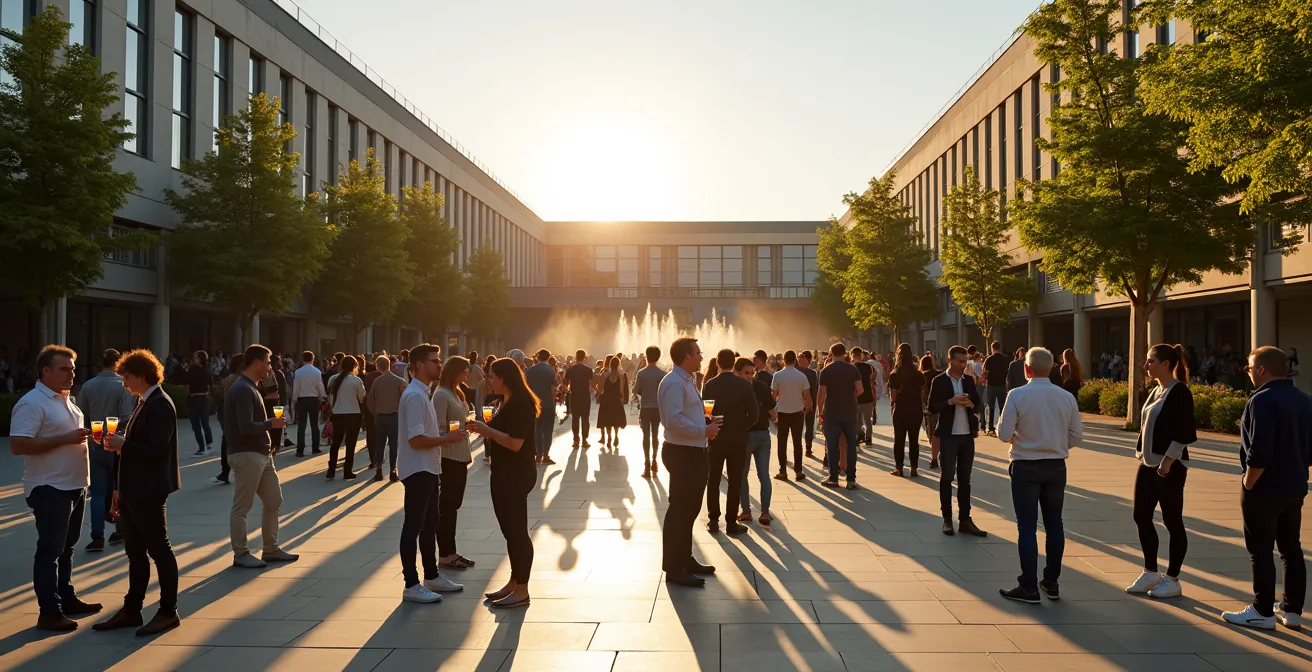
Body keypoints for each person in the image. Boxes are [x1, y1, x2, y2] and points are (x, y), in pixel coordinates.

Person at [9, 345, 102, 631]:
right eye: (64, 369)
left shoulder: (67, 401)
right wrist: (66, 439)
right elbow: (18, 444)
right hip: (49, 487)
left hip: (74, 485)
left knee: (67, 548)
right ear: (45, 371)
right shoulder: (32, 402)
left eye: (73, 368)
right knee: (49, 550)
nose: (71, 374)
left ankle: (66, 598)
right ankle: (48, 611)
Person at [93, 349, 182, 636]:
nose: (124, 383)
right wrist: (119, 486)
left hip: (149, 490)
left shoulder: (159, 404)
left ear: (143, 375)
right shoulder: (144, 401)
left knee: (159, 549)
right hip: (134, 489)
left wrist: (123, 445)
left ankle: (168, 611)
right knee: (135, 551)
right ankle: (132, 609)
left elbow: (158, 450)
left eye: (127, 377)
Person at [1222, 347, 1312, 630]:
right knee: (1290, 548)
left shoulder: (1261, 400)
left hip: (1264, 487)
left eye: (1249, 368)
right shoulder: (1303, 400)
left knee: (1260, 550)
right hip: (1295, 485)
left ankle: (1262, 610)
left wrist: (1248, 483)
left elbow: (1259, 450)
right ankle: (1292, 608)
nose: (1247, 373)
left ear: (1261, 369)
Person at [995, 347, 1083, 604]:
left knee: (1027, 527)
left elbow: (1003, 433)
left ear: (1027, 369)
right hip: (1056, 466)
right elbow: (1077, 435)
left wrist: (1019, 438)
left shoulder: (1017, 395)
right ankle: (1051, 581)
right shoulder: (1065, 396)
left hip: (1025, 466)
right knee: (1055, 524)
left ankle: (1029, 586)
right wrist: (1056, 443)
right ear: (1052, 367)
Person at [466, 358, 539, 609]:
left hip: (515, 473)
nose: (490, 381)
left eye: (493, 377)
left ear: (505, 378)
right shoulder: (505, 401)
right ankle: (514, 580)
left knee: (517, 531)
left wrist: (488, 431)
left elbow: (516, 443)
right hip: (505, 472)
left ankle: (522, 589)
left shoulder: (519, 403)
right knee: (510, 531)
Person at [396, 344, 466, 603]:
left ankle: (432, 575)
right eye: (434, 361)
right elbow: (416, 439)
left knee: (429, 525)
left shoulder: (422, 393)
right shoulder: (415, 396)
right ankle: (411, 583)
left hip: (427, 467)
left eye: (439, 361)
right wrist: (445, 438)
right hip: (418, 469)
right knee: (414, 526)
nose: (439, 365)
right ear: (418, 365)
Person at [1126, 343, 1197, 599]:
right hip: (1147, 464)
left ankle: (1173, 579)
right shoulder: (1157, 390)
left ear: (1166, 364)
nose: (1145, 365)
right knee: (1141, 516)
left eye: (1150, 360)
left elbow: (1185, 431)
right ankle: (1151, 571)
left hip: (1169, 467)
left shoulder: (1179, 392)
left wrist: (1168, 462)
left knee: (1172, 521)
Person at [224, 344, 298, 569]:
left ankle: (271, 548)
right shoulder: (243, 389)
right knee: (242, 506)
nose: (270, 367)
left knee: (274, 500)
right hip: (247, 453)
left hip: (261, 453)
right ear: (256, 362)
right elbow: (245, 426)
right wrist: (271, 424)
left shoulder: (251, 387)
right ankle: (241, 552)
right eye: (267, 362)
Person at [658, 336, 723, 587]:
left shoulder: (685, 380)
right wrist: (702, 431)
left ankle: (685, 558)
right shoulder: (674, 382)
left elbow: (683, 415)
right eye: (697, 352)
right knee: (680, 510)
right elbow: (672, 421)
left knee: (690, 510)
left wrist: (704, 425)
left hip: (694, 451)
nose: (701, 356)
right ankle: (674, 567)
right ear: (686, 355)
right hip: (683, 453)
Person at [77, 349, 135, 550]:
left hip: (95, 442)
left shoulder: (87, 386)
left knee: (98, 491)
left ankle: (97, 536)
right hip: (117, 443)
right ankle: (121, 527)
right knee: (121, 488)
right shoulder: (123, 386)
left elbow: (81, 416)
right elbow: (126, 416)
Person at [928, 345, 987, 537]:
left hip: (967, 435)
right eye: (960, 361)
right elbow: (931, 408)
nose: (964, 365)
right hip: (948, 435)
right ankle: (947, 519)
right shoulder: (939, 381)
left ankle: (965, 519)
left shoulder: (969, 380)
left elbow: (978, 406)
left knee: (965, 479)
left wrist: (971, 405)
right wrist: (949, 402)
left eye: (965, 361)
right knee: (947, 477)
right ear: (950, 361)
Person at [702, 352, 759, 535]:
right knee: (735, 481)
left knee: (714, 480)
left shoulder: (709, 385)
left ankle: (713, 520)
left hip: (717, 438)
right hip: (738, 439)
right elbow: (755, 414)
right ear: (733, 363)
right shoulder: (744, 385)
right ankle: (731, 522)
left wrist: (712, 428)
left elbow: (706, 413)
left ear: (717, 363)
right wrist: (742, 427)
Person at [433, 355, 476, 571]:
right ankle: (446, 554)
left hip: (460, 454)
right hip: (449, 456)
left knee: (453, 505)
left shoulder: (456, 392)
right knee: (448, 506)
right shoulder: (441, 395)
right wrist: (454, 431)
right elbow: (438, 428)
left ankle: (451, 551)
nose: (467, 374)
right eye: (464, 370)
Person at [816, 343, 863, 489]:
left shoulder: (826, 371)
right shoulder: (853, 369)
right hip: (849, 412)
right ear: (845, 353)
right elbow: (860, 390)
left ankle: (834, 478)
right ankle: (851, 479)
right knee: (850, 446)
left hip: (832, 413)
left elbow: (821, 395)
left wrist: (820, 412)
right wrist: (850, 395)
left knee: (832, 446)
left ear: (831, 353)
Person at [739, 357, 777, 525]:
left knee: (743, 475)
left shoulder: (738, 388)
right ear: (738, 372)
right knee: (763, 475)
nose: (750, 376)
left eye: (751, 373)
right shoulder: (761, 386)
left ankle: (747, 511)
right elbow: (773, 410)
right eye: (747, 373)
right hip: (762, 434)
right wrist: (771, 418)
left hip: (746, 435)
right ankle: (764, 512)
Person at [771, 350, 812, 482]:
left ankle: (783, 470)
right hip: (797, 412)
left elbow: (773, 395)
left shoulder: (777, 375)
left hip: (782, 412)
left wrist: (774, 413)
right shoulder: (801, 376)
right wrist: (806, 409)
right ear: (795, 360)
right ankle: (798, 470)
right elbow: (807, 397)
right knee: (797, 442)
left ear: (783, 359)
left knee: (782, 442)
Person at [888, 343, 927, 477]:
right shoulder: (918, 374)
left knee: (899, 440)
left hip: (900, 410)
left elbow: (893, 397)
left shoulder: (894, 375)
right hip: (915, 410)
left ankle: (899, 468)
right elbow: (923, 393)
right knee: (913, 440)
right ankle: (914, 468)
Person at [366, 355, 406, 482]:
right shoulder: (399, 381)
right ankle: (393, 470)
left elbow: (370, 400)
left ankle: (379, 470)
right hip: (394, 415)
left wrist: (375, 412)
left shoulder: (377, 381)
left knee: (380, 443)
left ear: (377, 366)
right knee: (394, 444)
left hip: (380, 416)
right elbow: (405, 400)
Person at [325, 355, 366, 480]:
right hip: (353, 414)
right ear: (354, 366)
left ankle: (331, 468)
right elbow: (362, 397)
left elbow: (330, 397)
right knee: (351, 443)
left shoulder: (333, 379)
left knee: (336, 442)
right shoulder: (356, 380)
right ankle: (347, 470)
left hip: (338, 414)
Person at [634, 345, 667, 478]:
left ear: (646, 357)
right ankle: (654, 460)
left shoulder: (641, 373)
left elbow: (636, 390)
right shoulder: (662, 374)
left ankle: (647, 462)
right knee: (655, 435)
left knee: (645, 436)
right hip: (657, 408)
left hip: (645, 407)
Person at [214, 355, 244, 484]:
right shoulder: (236, 380)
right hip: (233, 415)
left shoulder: (232, 379)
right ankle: (227, 470)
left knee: (227, 441)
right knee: (230, 442)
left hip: (229, 414)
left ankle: (225, 471)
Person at [525, 349, 558, 465]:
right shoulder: (551, 370)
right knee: (548, 429)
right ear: (548, 357)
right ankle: (546, 455)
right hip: (548, 402)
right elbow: (553, 390)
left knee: (536, 428)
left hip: (534, 403)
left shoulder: (530, 370)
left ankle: (538, 454)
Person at [291, 351, 326, 457]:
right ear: (312, 359)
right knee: (314, 425)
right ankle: (315, 448)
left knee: (301, 425)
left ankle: (300, 450)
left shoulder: (298, 372)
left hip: (301, 400)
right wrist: (323, 397)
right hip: (314, 399)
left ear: (303, 359)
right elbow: (320, 387)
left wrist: (294, 399)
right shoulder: (317, 372)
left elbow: (296, 387)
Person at [184, 350, 214, 457]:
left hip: (194, 398)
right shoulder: (207, 371)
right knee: (205, 423)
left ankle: (201, 448)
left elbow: (187, 385)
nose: (194, 359)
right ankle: (209, 446)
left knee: (196, 425)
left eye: (196, 357)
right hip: (204, 398)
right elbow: (210, 386)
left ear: (200, 358)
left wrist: (186, 396)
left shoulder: (192, 369)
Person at [564, 350, 595, 447]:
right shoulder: (589, 370)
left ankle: (576, 440)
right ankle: (585, 440)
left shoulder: (571, 369)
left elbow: (565, 384)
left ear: (575, 357)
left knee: (575, 418)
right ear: (584, 357)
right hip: (585, 396)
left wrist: (568, 390)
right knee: (585, 418)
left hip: (574, 396)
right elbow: (592, 385)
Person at [596, 355, 628, 447]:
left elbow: (601, 389)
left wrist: (598, 394)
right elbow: (621, 390)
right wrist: (621, 399)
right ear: (618, 364)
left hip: (606, 399)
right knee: (616, 419)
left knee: (607, 420)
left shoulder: (604, 375)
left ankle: (609, 437)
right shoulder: (621, 376)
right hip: (616, 399)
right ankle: (616, 436)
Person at [983, 342, 1010, 436]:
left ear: (992, 348)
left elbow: (985, 372)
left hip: (991, 385)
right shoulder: (1005, 359)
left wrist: (984, 381)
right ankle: (1003, 426)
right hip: (1002, 385)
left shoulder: (989, 359)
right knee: (1003, 407)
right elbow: (1008, 372)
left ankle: (990, 427)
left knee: (991, 407)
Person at [921, 354, 941, 470]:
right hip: (941, 406)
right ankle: (940, 454)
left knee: (932, 432)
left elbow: (922, 393)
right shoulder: (939, 374)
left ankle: (934, 458)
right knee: (941, 432)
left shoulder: (923, 376)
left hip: (929, 408)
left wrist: (923, 404)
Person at [798, 350, 819, 457]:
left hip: (809, 402)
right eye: (798, 357)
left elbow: (814, 390)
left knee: (809, 426)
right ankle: (800, 448)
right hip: (797, 402)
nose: (799, 359)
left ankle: (808, 447)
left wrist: (815, 405)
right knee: (798, 426)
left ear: (808, 360)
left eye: (802, 357)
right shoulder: (795, 370)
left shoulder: (812, 373)